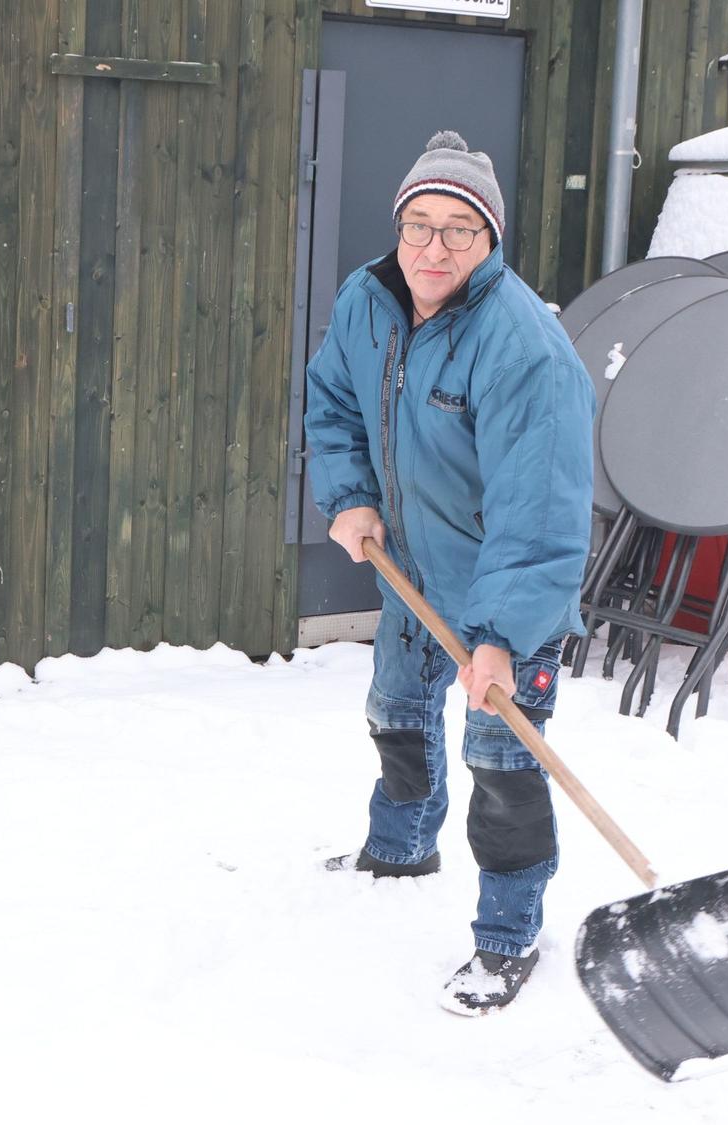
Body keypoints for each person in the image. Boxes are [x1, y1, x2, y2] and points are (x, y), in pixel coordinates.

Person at [304, 130, 594, 1016]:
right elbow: (333, 401)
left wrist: (501, 637)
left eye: (458, 230)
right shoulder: (368, 299)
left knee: (502, 761)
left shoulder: (524, 349)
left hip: (507, 592)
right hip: (411, 570)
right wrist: (350, 496)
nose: (433, 249)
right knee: (396, 710)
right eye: (418, 225)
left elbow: (539, 510)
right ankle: (400, 845)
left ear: (491, 240)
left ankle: (506, 939)